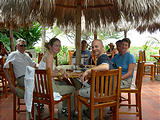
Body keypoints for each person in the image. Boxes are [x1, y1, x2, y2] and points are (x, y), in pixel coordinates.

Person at [38, 37, 75, 114]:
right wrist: (61, 73)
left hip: (44, 86)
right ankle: (69, 110)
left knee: (65, 83)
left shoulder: (48, 55)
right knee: (73, 88)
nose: (58, 48)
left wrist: (60, 71)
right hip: (48, 88)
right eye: (56, 45)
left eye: (59, 46)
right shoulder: (50, 56)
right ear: (50, 46)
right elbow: (50, 73)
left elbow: (52, 69)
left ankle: (65, 109)